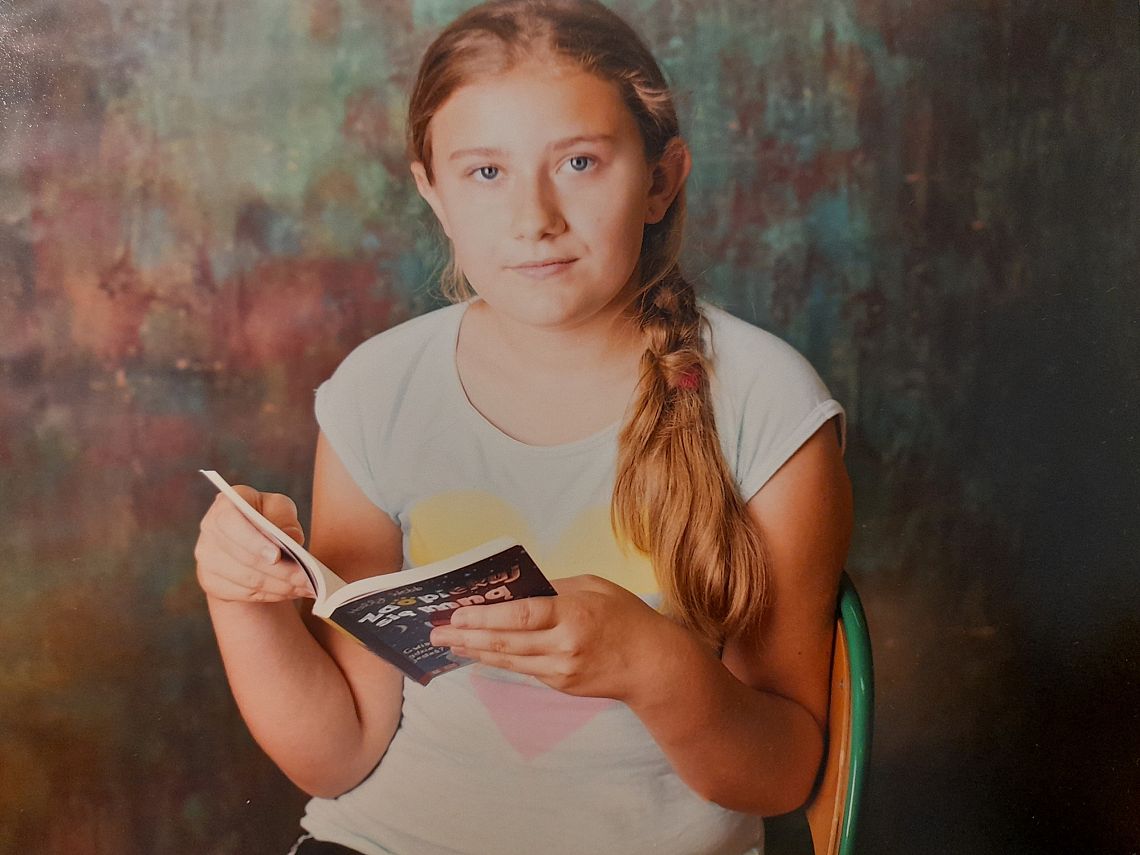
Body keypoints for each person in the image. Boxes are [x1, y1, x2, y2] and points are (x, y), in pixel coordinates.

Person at [194, 1, 853, 853]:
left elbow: (785, 774)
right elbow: (337, 755)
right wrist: (240, 600)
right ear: (433, 192)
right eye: (485, 172)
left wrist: (656, 666)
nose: (534, 216)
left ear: (661, 180)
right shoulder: (377, 391)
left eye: (579, 162)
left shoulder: (768, 405)